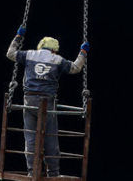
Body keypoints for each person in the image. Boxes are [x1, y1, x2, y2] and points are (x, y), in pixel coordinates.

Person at [6, 28, 89, 178]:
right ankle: (53, 173)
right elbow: (76, 68)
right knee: (50, 137)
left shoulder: (29, 55)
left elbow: (10, 53)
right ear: (54, 49)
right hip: (47, 103)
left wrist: (18, 37)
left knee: (30, 138)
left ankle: (32, 172)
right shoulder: (57, 60)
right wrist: (82, 53)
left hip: (29, 101)